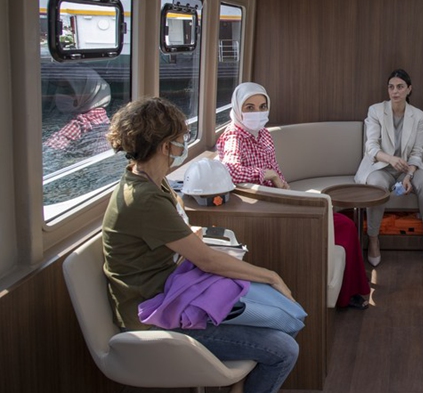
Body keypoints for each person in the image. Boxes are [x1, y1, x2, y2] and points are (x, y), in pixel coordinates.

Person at [103, 97, 298, 393]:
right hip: (155, 317)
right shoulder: (145, 199)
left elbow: (179, 238)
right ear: (166, 146)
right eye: (181, 138)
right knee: (284, 349)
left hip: (174, 292)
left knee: (284, 315)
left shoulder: (152, 181)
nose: (184, 144)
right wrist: (272, 276)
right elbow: (206, 261)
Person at [217, 82, 371, 310]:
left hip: (279, 200)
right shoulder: (234, 136)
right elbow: (229, 169)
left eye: (262, 106)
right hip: (261, 207)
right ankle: (346, 296)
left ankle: (347, 292)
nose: (256, 113)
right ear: (238, 108)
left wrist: (285, 187)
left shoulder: (264, 134)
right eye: (249, 107)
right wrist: (266, 174)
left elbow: (276, 170)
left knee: (339, 222)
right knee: (344, 225)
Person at [354, 69, 423, 267]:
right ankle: (374, 239)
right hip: (381, 166)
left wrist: (409, 175)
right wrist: (391, 159)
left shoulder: (418, 116)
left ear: (409, 89)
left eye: (400, 87)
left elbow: (417, 152)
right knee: (377, 186)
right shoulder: (376, 111)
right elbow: (371, 147)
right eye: (391, 87)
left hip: (408, 167)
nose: (395, 91)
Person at [44, 68, 111, 156]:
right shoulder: (100, 113)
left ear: (85, 92)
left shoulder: (84, 121)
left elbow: (50, 148)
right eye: (59, 90)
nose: (60, 95)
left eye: (68, 91)